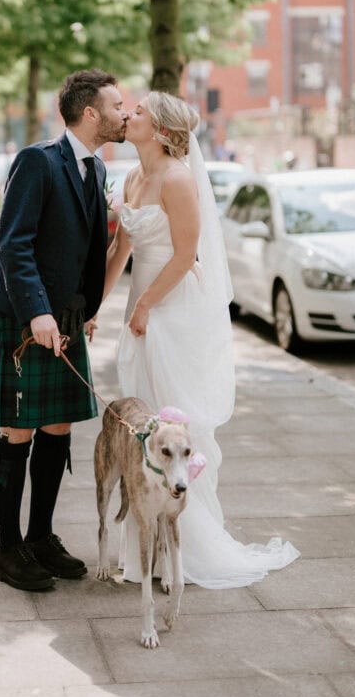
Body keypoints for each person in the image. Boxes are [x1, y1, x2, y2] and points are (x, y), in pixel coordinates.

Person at [94, 91, 299, 587]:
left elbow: (186, 255)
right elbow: (123, 245)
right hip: (141, 302)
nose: (128, 114)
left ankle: (184, 549)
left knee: (174, 417)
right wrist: (96, 305)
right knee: (146, 424)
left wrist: (145, 306)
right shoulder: (132, 176)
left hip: (174, 306)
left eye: (138, 111)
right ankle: (147, 546)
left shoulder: (179, 179)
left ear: (162, 129)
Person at [0, 70, 128, 591]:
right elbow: (13, 243)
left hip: (64, 313)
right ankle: (8, 548)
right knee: (18, 428)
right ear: (91, 114)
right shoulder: (38, 161)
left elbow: (86, 248)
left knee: (59, 423)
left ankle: (40, 537)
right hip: (22, 314)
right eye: (117, 104)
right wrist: (38, 312)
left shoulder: (96, 169)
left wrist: (84, 307)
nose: (124, 112)